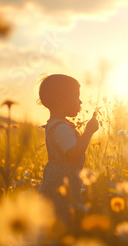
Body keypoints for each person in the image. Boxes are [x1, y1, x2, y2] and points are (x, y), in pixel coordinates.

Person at [37, 74, 99, 225]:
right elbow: (74, 154)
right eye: (76, 97)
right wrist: (89, 132)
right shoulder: (61, 128)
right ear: (60, 101)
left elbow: (71, 148)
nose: (80, 101)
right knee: (62, 221)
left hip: (60, 184)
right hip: (61, 188)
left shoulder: (57, 125)